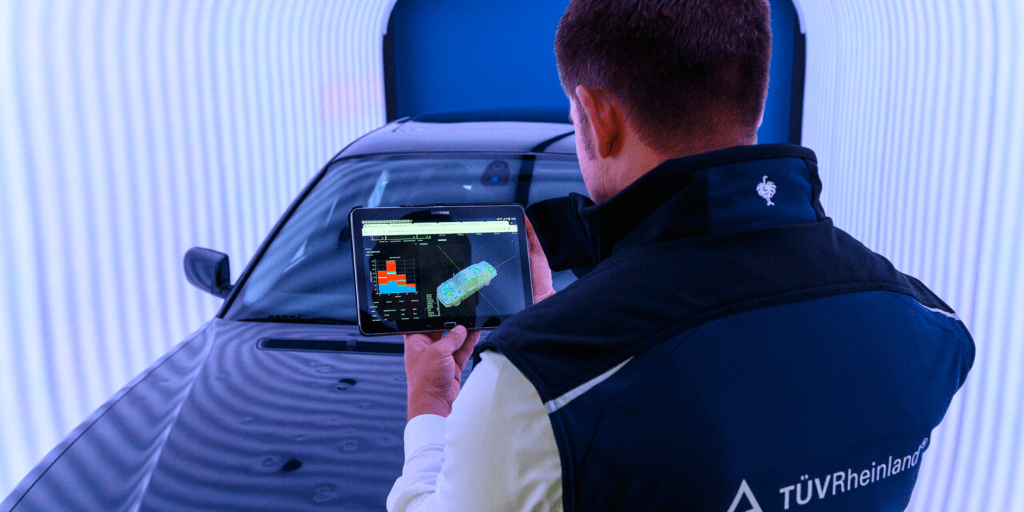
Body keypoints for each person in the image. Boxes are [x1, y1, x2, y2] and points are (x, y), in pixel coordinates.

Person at [387, 0, 975, 510]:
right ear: (757, 100)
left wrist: (431, 406)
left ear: (598, 117)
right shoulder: (929, 326)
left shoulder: (533, 384)